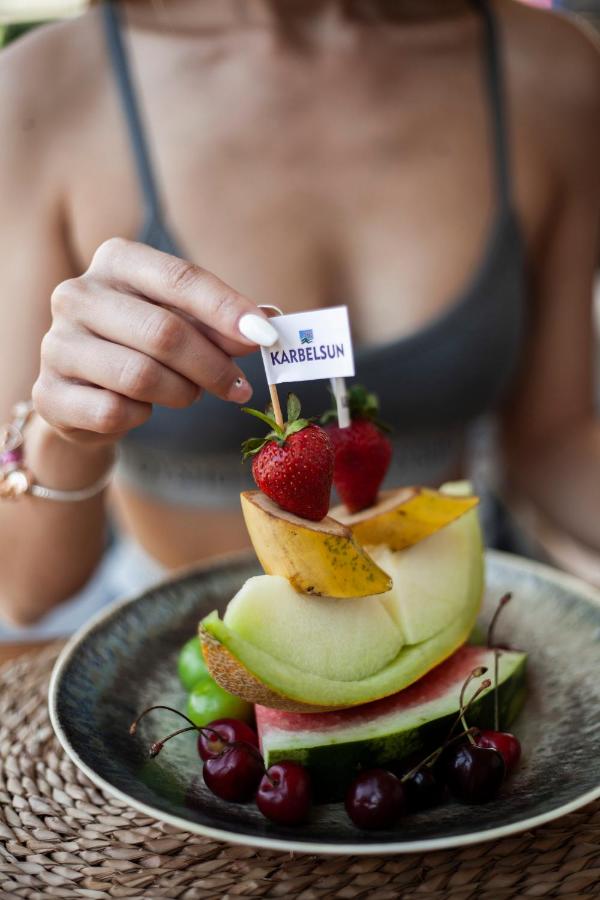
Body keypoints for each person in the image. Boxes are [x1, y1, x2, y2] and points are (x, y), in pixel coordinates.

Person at [0, 0, 598, 635]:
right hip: (181, 644)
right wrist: (64, 433)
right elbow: (22, 590)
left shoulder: (548, 70)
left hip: (445, 614)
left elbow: (551, 437)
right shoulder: (40, 88)